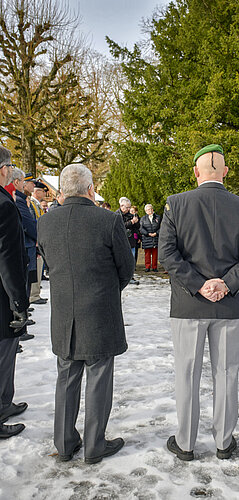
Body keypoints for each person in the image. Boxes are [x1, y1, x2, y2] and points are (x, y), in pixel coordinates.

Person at [158, 144, 239, 461]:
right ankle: (223, 442)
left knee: (187, 374)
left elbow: (167, 254)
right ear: (225, 172)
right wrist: (225, 283)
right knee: (227, 373)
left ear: (196, 172)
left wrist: (198, 285)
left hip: (189, 305)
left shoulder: (176, 204)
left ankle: (186, 443)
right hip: (228, 305)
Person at [37, 164, 135, 463]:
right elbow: (126, 267)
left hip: (64, 310)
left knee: (66, 376)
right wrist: (106, 291)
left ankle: (66, 444)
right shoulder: (108, 219)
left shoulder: (46, 222)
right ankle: (94, 445)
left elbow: (51, 266)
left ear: (62, 191)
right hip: (99, 310)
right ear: (90, 189)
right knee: (99, 377)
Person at [0, 146, 30, 439]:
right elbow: (7, 258)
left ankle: (5, 403)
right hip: (3, 295)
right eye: (9, 167)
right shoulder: (4, 204)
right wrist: (19, 302)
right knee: (4, 354)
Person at [11, 167, 37, 340]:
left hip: (27, 246)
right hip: (25, 245)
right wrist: (38, 236)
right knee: (23, 284)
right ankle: (20, 321)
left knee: (27, 284)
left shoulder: (23, 199)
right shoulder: (18, 200)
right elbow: (28, 223)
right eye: (24, 181)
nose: (30, 185)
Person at [116, 197, 140, 284]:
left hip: (131, 241)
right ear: (122, 206)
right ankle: (121, 277)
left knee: (132, 260)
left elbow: (137, 227)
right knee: (122, 260)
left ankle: (131, 276)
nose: (129, 209)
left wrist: (136, 222)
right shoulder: (116, 215)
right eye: (127, 207)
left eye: (129, 207)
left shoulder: (131, 215)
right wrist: (131, 222)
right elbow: (120, 226)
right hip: (121, 241)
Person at [140, 204, 161, 272]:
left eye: (150, 209)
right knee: (147, 254)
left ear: (152, 209)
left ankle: (155, 267)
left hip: (156, 238)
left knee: (155, 254)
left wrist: (156, 233)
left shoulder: (158, 217)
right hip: (147, 238)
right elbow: (141, 228)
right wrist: (147, 233)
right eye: (147, 210)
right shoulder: (143, 219)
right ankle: (147, 267)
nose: (149, 211)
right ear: (145, 211)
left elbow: (162, 227)